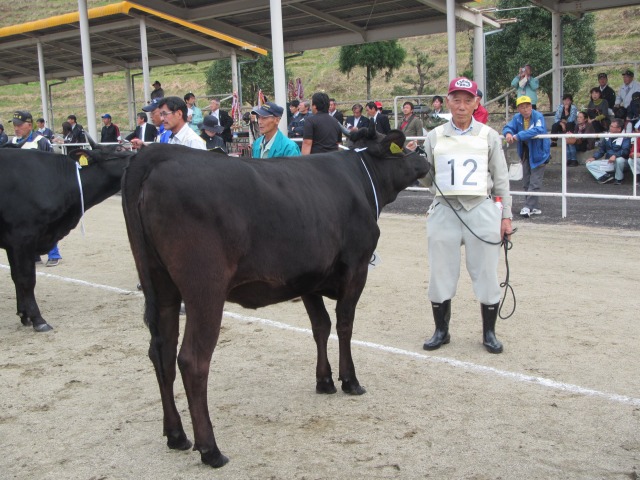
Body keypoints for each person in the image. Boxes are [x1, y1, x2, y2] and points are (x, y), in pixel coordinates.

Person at [418, 77, 513, 354]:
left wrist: (505, 216)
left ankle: (489, 333)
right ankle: (441, 330)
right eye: (456, 100)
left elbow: (501, 179)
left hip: (480, 208)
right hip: (445, 209)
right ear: (448, 102)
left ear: (476, 103)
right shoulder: (434, 136)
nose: (461, 106)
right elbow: (426, 174)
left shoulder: (489, 136)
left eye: (467, 100)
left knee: (485, 271)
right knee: (440, 272)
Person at [11, 110, 62, 267]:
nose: (16, 128)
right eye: (14, 125)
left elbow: (51, 165)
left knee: (46, 222)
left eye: (19, 125)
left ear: (29, 125)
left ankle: (54, 254)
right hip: (20, 191)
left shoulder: (41, 141)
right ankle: (33, 254)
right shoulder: (13, 141)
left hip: (39, 189)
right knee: (25, 224)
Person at [503, 95, 551, 218]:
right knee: (526, 181)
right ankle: (532, 206)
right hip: (525, 153)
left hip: (539, 153)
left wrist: (518, 136)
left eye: (528, 106)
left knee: (535, 182)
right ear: (518, 109)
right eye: (522, 107)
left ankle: (528, 206)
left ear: (531, 106)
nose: (526, 109)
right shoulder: (517, 118)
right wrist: (508, 133)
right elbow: (508, 127)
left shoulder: (538, 116)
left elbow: (538, 130)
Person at [585, 118, 630, 185]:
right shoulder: (607, 137)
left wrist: (615, 155)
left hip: (623, 163)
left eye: (612, 127)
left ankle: (619, 179)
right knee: (589, 163)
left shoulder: (625, 137)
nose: (610, 128)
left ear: (619, 129)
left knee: (620, 160)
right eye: (610, 126)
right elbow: (601, 150)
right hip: (609, 162)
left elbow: (625, 151)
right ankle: (605, 177)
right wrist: (594, 157)